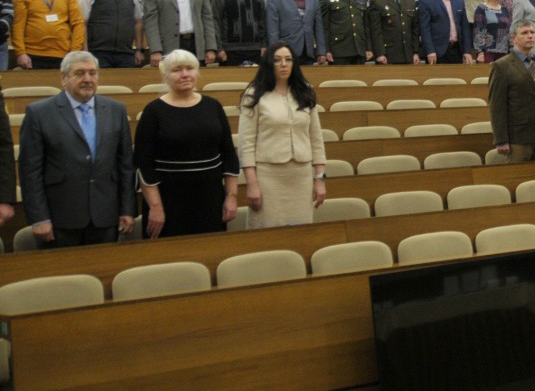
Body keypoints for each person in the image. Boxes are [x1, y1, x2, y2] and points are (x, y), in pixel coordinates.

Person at [18, 51, 135, 247]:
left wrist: (127, 210)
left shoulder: (116, 110)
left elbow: (125, 165)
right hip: (59, 219)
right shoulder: (39, 113)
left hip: (106, 216)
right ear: (63, 78)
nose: (88, 79)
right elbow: (30, 172)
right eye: (79, 73)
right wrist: (39, 218)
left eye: (92, 73)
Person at [135, 50, 240, 238]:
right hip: (167, 202)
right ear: (166, 76)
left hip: (210, 199)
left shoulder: (213, 106)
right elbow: (144, 164)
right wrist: (156, 207)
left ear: (197, 72)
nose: (184, 74)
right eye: (177, 70)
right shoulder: (153, 111)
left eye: (189, 68)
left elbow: (229, 156)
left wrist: (231, 197)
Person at [238, 43, 326, 229]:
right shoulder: (253, 94)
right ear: (268, 64)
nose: (284, 64)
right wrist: (251, 184)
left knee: (300, 233)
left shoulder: (305, 92)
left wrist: (319, 179)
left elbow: (316, 140)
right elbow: (246, 144)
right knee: (267, 233)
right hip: (267, 177)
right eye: (277, 60)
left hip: (301, 177)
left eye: (288, 59)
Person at [488, 19, 535, 162]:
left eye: (532, 32)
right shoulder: (501, 66)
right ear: (513, 38)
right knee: (519, 176)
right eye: (525, 33)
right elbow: (497, 106)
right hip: (518, 139)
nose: (530, 36)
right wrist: (501, 140)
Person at [265, 0, 326, 64]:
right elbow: (272, 29)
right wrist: (274, 51)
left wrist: (321, 51)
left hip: (308, 52)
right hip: (285, 51)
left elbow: (318, 28)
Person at [212, 0, 267, 66]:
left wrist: (264, 45)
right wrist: (219, 48)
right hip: (229, 50)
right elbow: (215, 22)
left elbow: (263, 21)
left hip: (255, 50)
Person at [417, 0, 473, 65]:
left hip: (457, 50)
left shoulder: (459, 1)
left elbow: (465, 27)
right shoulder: (426, 1)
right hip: (437, 51)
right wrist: (430, 50)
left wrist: (467, 51)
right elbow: (425, 29)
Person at [319, 0, 370, 65]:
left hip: (359, 48)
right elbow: (324, 26)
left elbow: (366, 24)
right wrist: (326, 50)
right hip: (338, 49)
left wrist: (369, 48)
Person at [367, 0, 421, 65]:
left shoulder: (410, 2)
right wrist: (380, 53)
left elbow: (414, 30)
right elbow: (376, 31)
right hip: (389, 53)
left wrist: (416, 52)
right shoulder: (378, 2)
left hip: (408, 53)